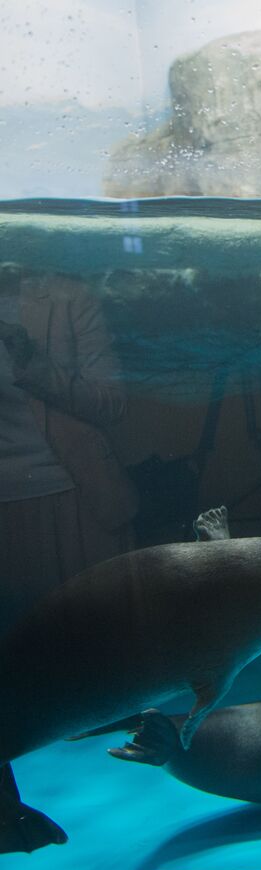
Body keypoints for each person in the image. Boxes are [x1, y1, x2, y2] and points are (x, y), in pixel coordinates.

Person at [0, 265, 137, 628]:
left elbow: (113, 404)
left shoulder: (68, 296)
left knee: (100, 641)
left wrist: (33, 364)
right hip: (7, 510)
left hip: (76, 498)